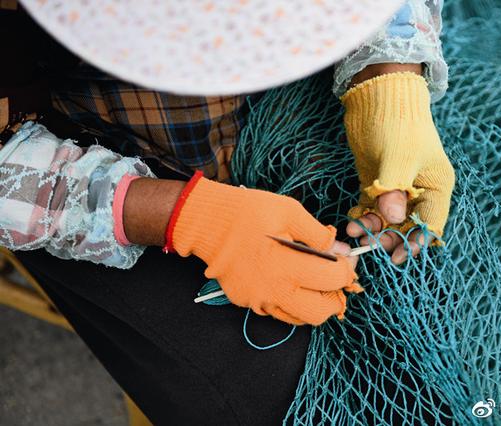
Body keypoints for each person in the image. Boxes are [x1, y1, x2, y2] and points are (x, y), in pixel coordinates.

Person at [0, 1, 454, 423]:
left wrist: (390, 72)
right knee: (263, 387)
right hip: (74, 155)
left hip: (276, 102)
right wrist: (177, 214)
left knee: (431, 297)